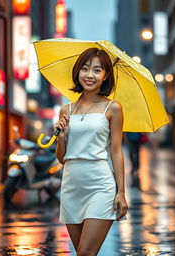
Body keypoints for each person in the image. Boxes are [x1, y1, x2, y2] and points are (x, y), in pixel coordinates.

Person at [54, 48, 128, 255]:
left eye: (97, 70)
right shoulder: (66, 111)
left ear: (105, 76)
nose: (90, 75)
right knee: (82, 252)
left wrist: (121, 192)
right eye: (85, 69)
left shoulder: (113, 108)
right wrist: (61, 137)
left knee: (86, 252)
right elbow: (61, 159)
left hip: (100, 185)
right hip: (71, 185)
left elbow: (116, 151)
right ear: (77, 72)